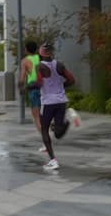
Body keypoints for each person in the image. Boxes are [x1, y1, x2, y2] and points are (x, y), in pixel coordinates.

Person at [36, 42, 76, 171]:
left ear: (40, 54)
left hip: (47, 103)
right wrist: (61, 87)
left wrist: (27, 87)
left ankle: (53, 161)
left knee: (44, 130)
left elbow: (37, 83)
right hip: (61, 102)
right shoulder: (59, 65)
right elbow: (72, 80)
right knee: (58, 134)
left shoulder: (39, 67)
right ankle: (68, 121)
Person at [17, 40, 44, 149]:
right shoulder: (41, 58)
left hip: (33, 87)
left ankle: (45, 142)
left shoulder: (25, 61)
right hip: (43, 86)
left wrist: (20, 87)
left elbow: (22, 77)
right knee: (44, 113)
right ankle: (50, 125)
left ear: (27, 49)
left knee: (36, 116)